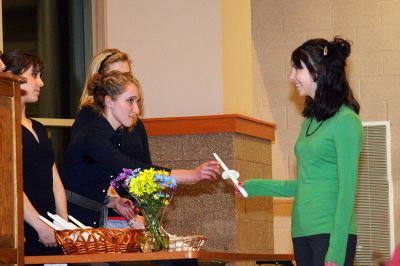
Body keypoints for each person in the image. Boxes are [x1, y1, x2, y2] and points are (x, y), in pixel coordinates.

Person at [240, 37, 363, 266]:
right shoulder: (309, 122)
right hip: (302, 233)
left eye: (297, 68)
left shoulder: (346, 121)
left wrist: (336, 249)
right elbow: (307, 184)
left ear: (318, 71)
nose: (291, 76)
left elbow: (347, 190)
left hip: (330, 234)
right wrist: (253, 186)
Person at [1, 50, 68, 256]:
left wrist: (62, 221)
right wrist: (39, 226)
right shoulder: (5, 126)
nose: (41, 83)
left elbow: (53, 176)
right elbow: (8, 184)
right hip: (24, 224)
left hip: (50, 223)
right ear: (12, 78)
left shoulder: (38, 127)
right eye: (34, 75)